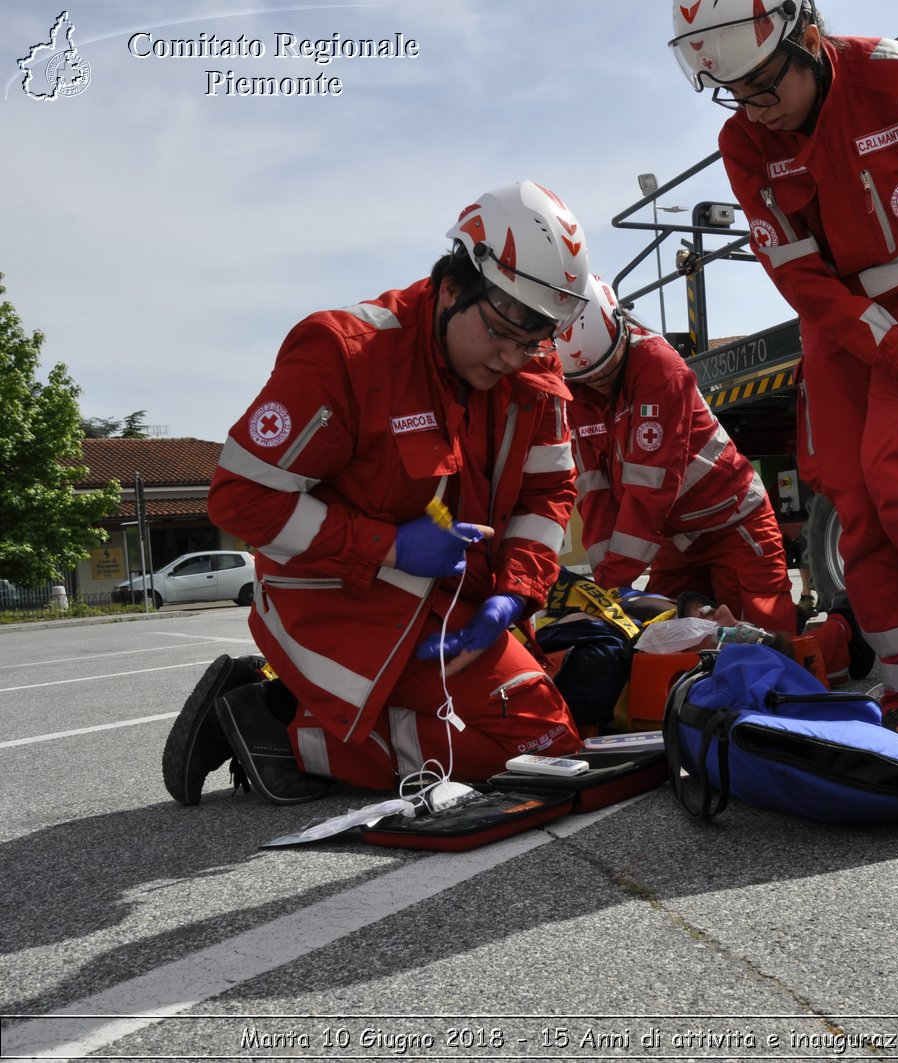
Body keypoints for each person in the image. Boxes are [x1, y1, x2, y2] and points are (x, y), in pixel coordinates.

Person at [669, 0, 898, 757]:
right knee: (853, 494)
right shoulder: (743, 140)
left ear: (806, 37)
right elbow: (798, 274)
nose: (756, 109)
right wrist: (887, 348)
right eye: (737, 93)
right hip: (838, 321)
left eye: (765, 86)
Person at [164, 181, 592, 806]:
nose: (513, 357)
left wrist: (517, 592)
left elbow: (548, 491)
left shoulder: (532, 367)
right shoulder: (347, 354)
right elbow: (240, 498)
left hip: (452, 603)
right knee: (526, 752)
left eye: (534, 340)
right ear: (453, 287)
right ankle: (283, 730)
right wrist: (387, 546)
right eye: (503, 332)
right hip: (347, 596)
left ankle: (280, 710)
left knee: (551, 745)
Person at [556, 273, 872, 683]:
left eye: (605, 371)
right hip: (673, 539)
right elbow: (595, 491)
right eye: (587, 379)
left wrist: (612, 585)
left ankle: (846, 636)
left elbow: (650, 489)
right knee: (664, 647)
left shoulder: (658, 367)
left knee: (768, 655)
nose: (598, 383)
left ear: (621, 328)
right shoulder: (579, 389)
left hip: (733, 524)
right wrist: (604, 589)